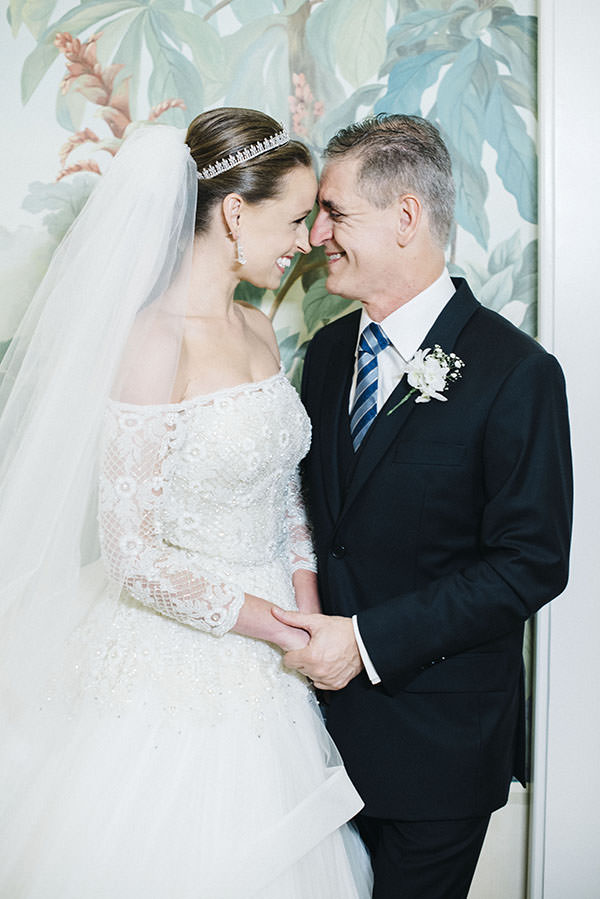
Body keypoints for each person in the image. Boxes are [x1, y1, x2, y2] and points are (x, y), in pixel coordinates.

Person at [0, 110, 372, 897]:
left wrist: (304, 609)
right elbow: (131, 552)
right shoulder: (150, 341)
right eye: (296, 217)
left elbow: (284, 496)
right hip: (174, 662)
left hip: (275, 657)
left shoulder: (259, 329)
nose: (307, 239)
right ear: (236, 212)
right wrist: (273, 623)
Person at [275, 114, 573, 898]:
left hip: (437, 751)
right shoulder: (329, 352)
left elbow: (531, 563)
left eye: (335, 212)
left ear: (405, 216)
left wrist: (367, 641)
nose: (316, 235)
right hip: (312, 745)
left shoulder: (518, 373)